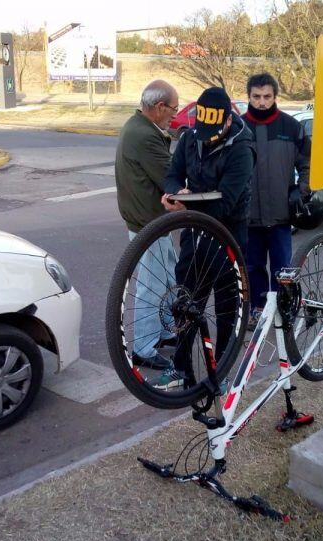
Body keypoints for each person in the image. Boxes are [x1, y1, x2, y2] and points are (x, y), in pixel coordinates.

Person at [161, 87, 255, 388]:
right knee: (187, 300)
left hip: (229, 234)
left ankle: (223, 371)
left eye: (212, 131)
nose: (206, 137)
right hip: (194, 232)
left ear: (228, 121)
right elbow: (172, 174)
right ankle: (181, 367)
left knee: (227, 306)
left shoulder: (243, 148)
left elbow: (226, 202)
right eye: (202, 130)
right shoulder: (190, 138)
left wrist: (188, 203)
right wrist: (174, 192)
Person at [115, 80, 180, 371]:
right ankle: (142, 347)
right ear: (159, 107)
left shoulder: (137, 126)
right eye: (173, 110)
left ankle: (164, 331)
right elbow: (171, 178)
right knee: (152, 286)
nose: (174, 116)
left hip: (148, 221)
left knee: (167, 278)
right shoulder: (145, 136)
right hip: (148, 223)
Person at [242, 72, 311, 328]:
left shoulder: (291, 127)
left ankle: (284, 310)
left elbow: (308, 163)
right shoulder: (238, 128)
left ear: (275, 97)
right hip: (249, 218)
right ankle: (258, 310)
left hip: (282, 217)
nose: (261, 102)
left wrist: (302, 190)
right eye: (256, 96)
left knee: (283, 271)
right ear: (248, 96)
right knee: (252, 267)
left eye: (267, 96)